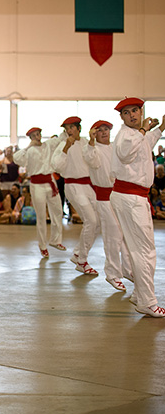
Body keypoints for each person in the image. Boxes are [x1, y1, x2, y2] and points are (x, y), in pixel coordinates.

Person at [110, 97, 165, 317]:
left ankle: (140, 295)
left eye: (135, 110)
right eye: (127, 112)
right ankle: (147, 301)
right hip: (130, 197)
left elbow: (146, 144)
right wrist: (144, 129)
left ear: (141, 111)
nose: (132, 115)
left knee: (138, 249)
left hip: (132, 196)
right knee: (145, 250)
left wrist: (159, 128)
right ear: (121, 117)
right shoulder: (126, 135)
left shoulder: (137, 135)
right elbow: (126, 153)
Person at [82, 120, 133, 291]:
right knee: (112, 236)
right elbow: (92, 160)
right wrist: (90, 142)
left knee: (124, 234)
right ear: (94, 134)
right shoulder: (92, 149)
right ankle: (112, 274)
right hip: (104, 198)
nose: (104, 133)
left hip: (119, 195)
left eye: (106, 130)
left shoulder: (114, 148)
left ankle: (127, 269)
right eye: (100, 130)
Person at [52, 116, 100, 275]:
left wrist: (92, 142)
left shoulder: (86, 141)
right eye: (66, 128)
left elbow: (95, 162)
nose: (69, 130)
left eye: (72, 127)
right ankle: (82, 261)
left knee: (97, 221)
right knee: (90, 220)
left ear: (78, 128)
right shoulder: (62, 145)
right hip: (73, 185)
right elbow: (57, 167)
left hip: (89, 185)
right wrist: (66, 147)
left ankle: (78, 253)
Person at [13, 127, 67, 258]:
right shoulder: (29, 151)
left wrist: (66, 129)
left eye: (38, 134)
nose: (37, 137)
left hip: (50, 181)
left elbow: (60, 138)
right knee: (41, 216)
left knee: (58, 211)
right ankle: (42, 245)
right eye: (34, 135)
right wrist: (28, 146)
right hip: (37, 185)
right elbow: (16, 159)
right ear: (31, 138)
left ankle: (56, 240)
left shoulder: (48, 145)